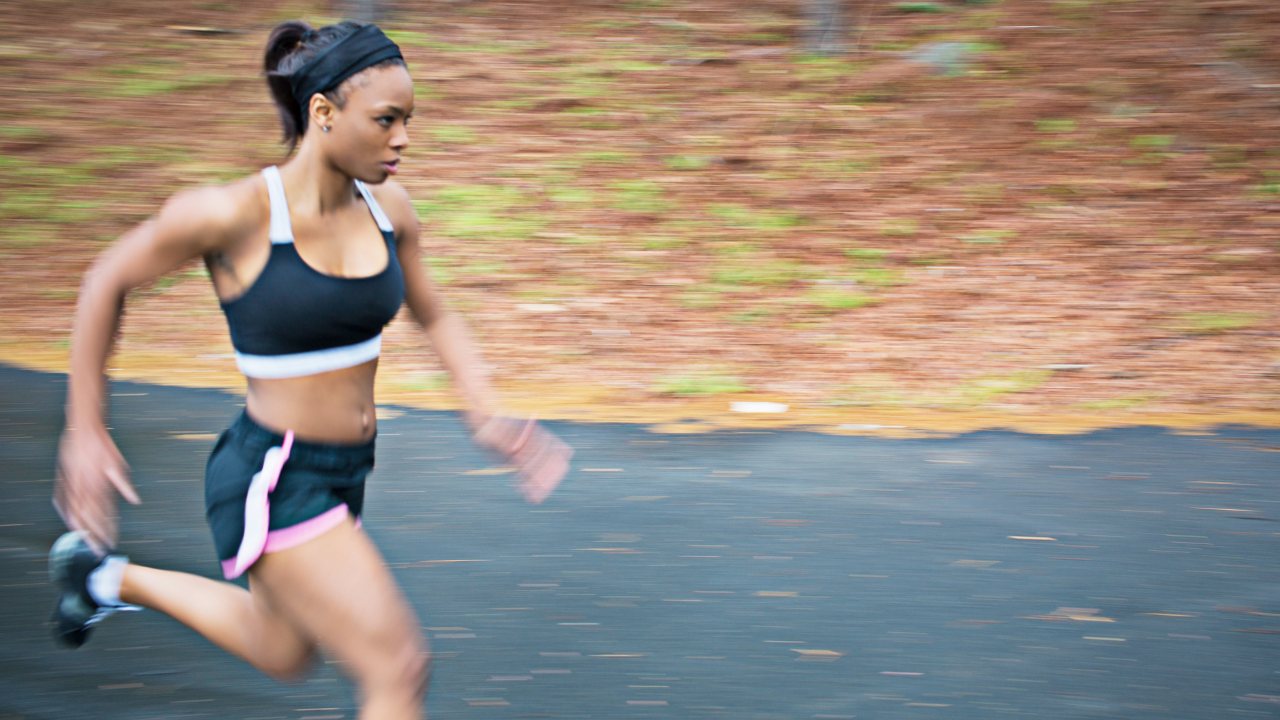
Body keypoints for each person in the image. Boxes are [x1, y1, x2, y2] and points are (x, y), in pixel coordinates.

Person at [49, 20, 571, 720]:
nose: (404, 139)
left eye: (408, 120)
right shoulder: (233, 214)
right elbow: (104, 281)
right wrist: (85, 429)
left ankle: (104, 578)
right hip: (275, 473)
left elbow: (436, 314)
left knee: (284, 650)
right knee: (397, 665)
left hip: (345, 469)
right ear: (322, 114)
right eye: (386, 120)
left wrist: (484, 410)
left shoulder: (390, 212)